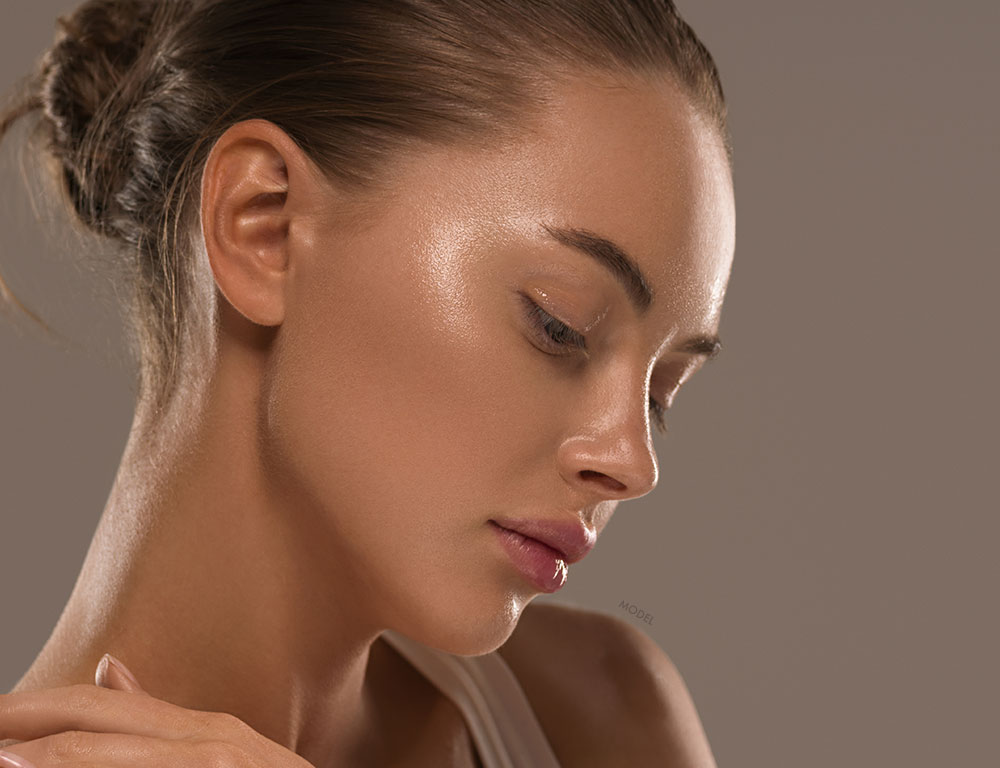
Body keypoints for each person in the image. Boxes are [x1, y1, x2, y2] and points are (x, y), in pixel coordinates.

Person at [0, 0, 735, 765]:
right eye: (561, 326)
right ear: (265, 225)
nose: (631, 463)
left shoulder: (596, 716)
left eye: (660, 392)